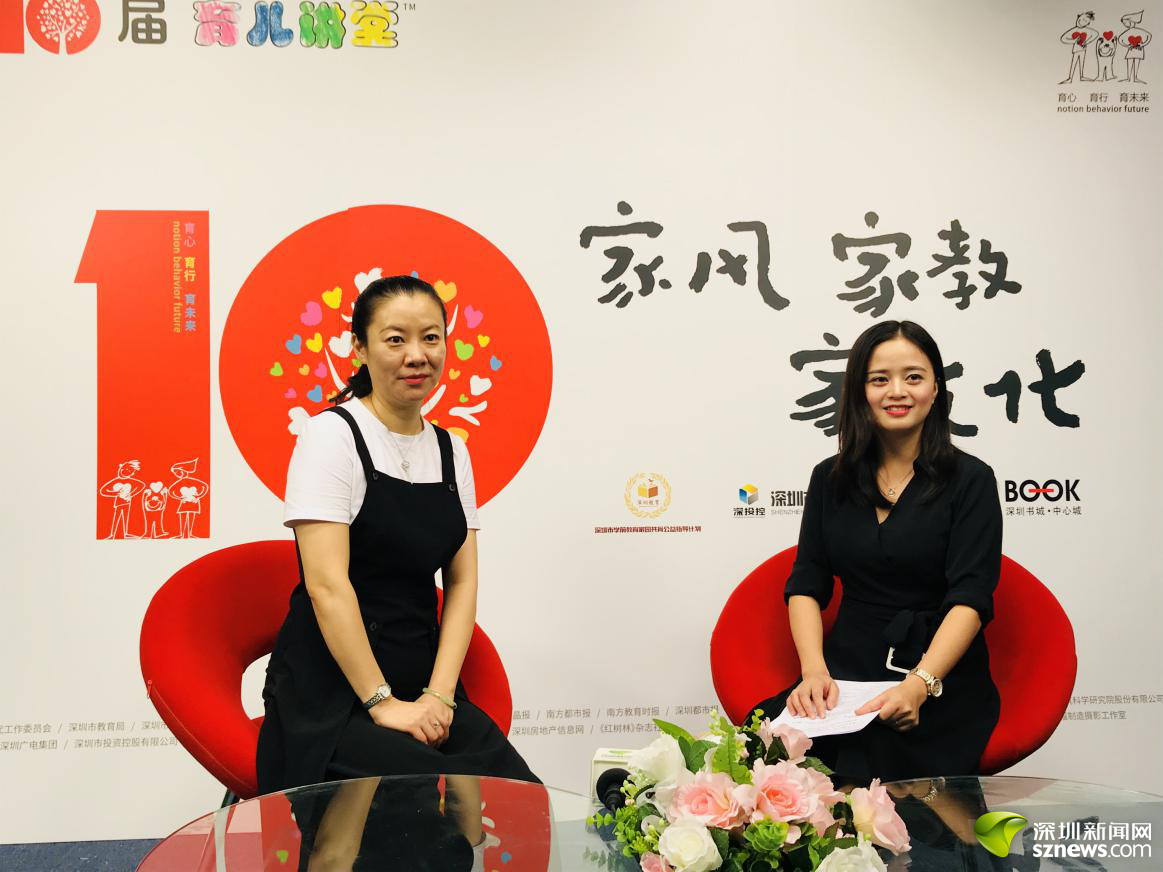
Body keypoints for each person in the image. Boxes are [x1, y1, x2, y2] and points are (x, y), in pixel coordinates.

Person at [256, 275, 539, 794]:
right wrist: (381, 702)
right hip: (331, 691)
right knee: (412, 798)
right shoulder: (331, 435)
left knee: (520, 797)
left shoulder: (452, 450)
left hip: (421, 679)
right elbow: (327, 586)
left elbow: (461, 583)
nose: (416, 356)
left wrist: (441, 695)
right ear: (359, 348)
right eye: (395, 339)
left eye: (431, 338)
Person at [750, 320, 1002, 782]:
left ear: (936, 388)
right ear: (859, 391)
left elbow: (970, 599)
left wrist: (920, 685)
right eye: (879, 379)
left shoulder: (972, 480)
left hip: (937, 673)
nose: (897, 391)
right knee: (759, 750)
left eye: (913, 377)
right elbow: (806, 584)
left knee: (874, 765)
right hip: (846, 668)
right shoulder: (829, 478)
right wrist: (813, 672)